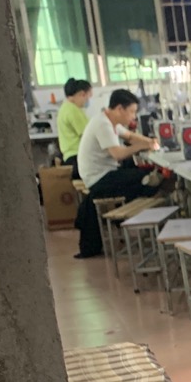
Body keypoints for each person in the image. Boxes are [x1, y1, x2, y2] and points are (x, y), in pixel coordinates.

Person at [74, 88, 159, 259]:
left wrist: (151, 141)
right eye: (132, 112)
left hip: (104, 174)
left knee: (143, 175)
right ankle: (133, 215)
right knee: (145, 177)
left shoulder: (109, 121)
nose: (134, 117)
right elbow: (118, 154)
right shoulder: (103, 125)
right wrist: (142, 146)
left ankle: (138, 208)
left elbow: (130, 136)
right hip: (99, 180)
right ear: (119, 109)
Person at [57, 77, 92, 176]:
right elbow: (87, 136)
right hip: (78, 159)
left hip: (71, 158)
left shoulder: (65, 108)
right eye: (88, 97)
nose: (88, 100)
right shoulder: (73, 110)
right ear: (82, 94)